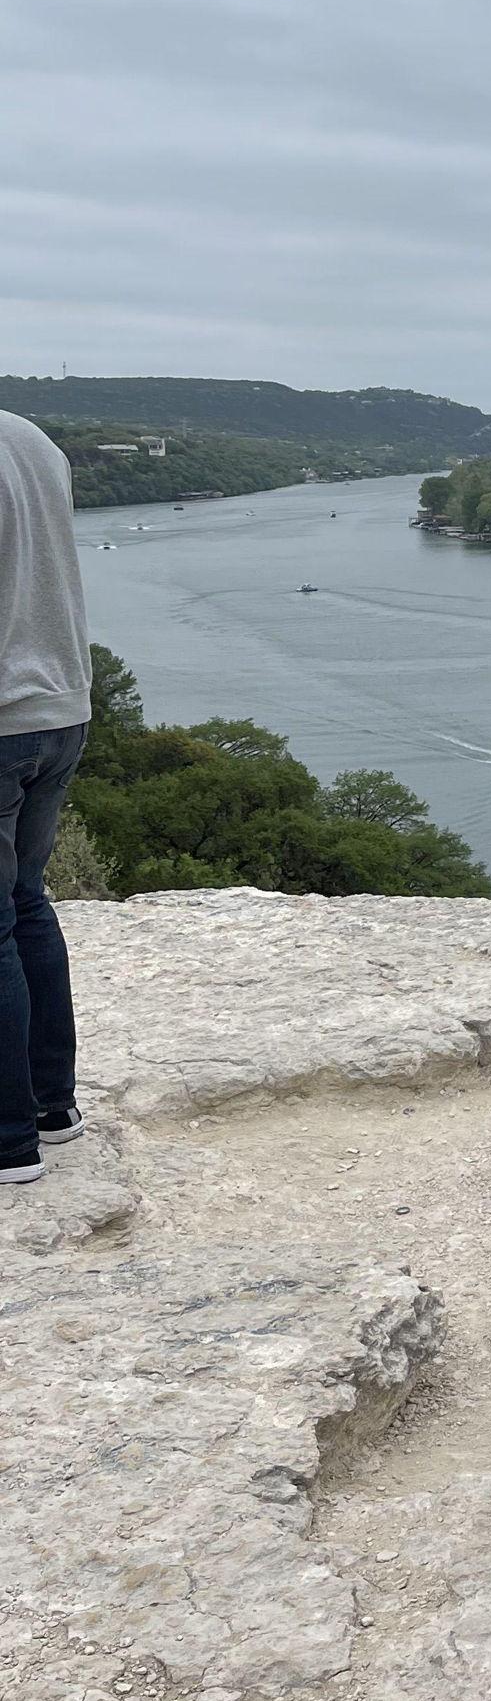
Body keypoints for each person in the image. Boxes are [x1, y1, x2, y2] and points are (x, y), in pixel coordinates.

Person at [0, 412, 93, 1187]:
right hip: (62, 709)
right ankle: (50, 1109)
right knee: (26, 902)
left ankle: (7, 1145)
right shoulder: (31, 439)